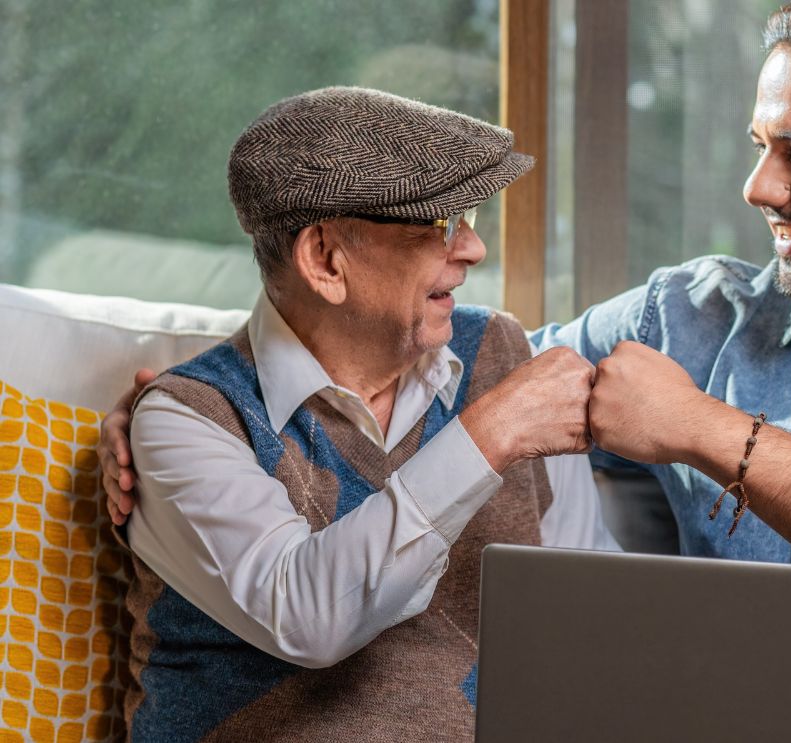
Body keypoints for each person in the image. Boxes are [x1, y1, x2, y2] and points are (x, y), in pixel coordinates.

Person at [105, 1, 791, 739]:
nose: (758, 187)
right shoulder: (687, 313)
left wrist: (704, 430)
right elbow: (405, 348)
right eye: (759, 145)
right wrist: (184, 394)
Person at [110, 86, 616, 742]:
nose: (472, 249)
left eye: (469, 219)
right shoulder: (186, 421)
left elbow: (589, 606)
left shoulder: (501, 354)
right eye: (438, 224)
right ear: (324, 259)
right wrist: (489, 433)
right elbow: (309, 615)